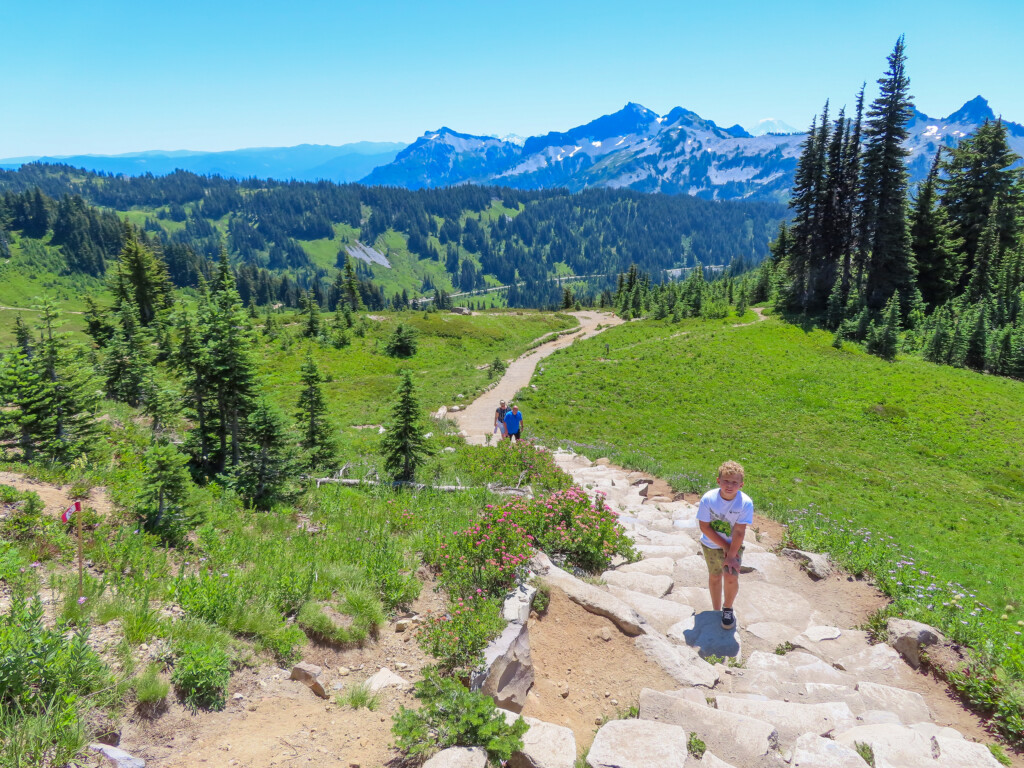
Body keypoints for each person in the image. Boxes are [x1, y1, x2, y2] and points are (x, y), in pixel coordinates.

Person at [696, 460, 753, 631]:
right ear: (718, 481)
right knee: (715, 576)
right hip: (711, 544)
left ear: (741, 485)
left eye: (734, 482)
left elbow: (739, 532)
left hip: (734, 544)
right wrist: (726, 549)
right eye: (726, 481)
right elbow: (704, 527)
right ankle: (715, 610)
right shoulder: (708, 499)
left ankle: (727, 608)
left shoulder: (745, 503)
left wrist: (731, 554)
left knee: (731, 576)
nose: (729, 485)